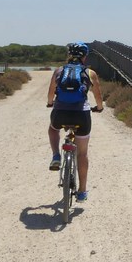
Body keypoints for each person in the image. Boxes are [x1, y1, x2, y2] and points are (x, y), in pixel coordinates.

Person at [46, 42, 103, 203]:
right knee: (82, 154)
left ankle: (56, 155)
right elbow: (98, 96)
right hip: (81, 115)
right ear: (85, 56)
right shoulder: (90, 72)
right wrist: (99, 108)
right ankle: (82, 191)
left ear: (69, 55)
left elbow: (51, 93)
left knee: (53, 129)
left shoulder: (59, 71)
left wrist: (51, 103)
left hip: (60, 113)